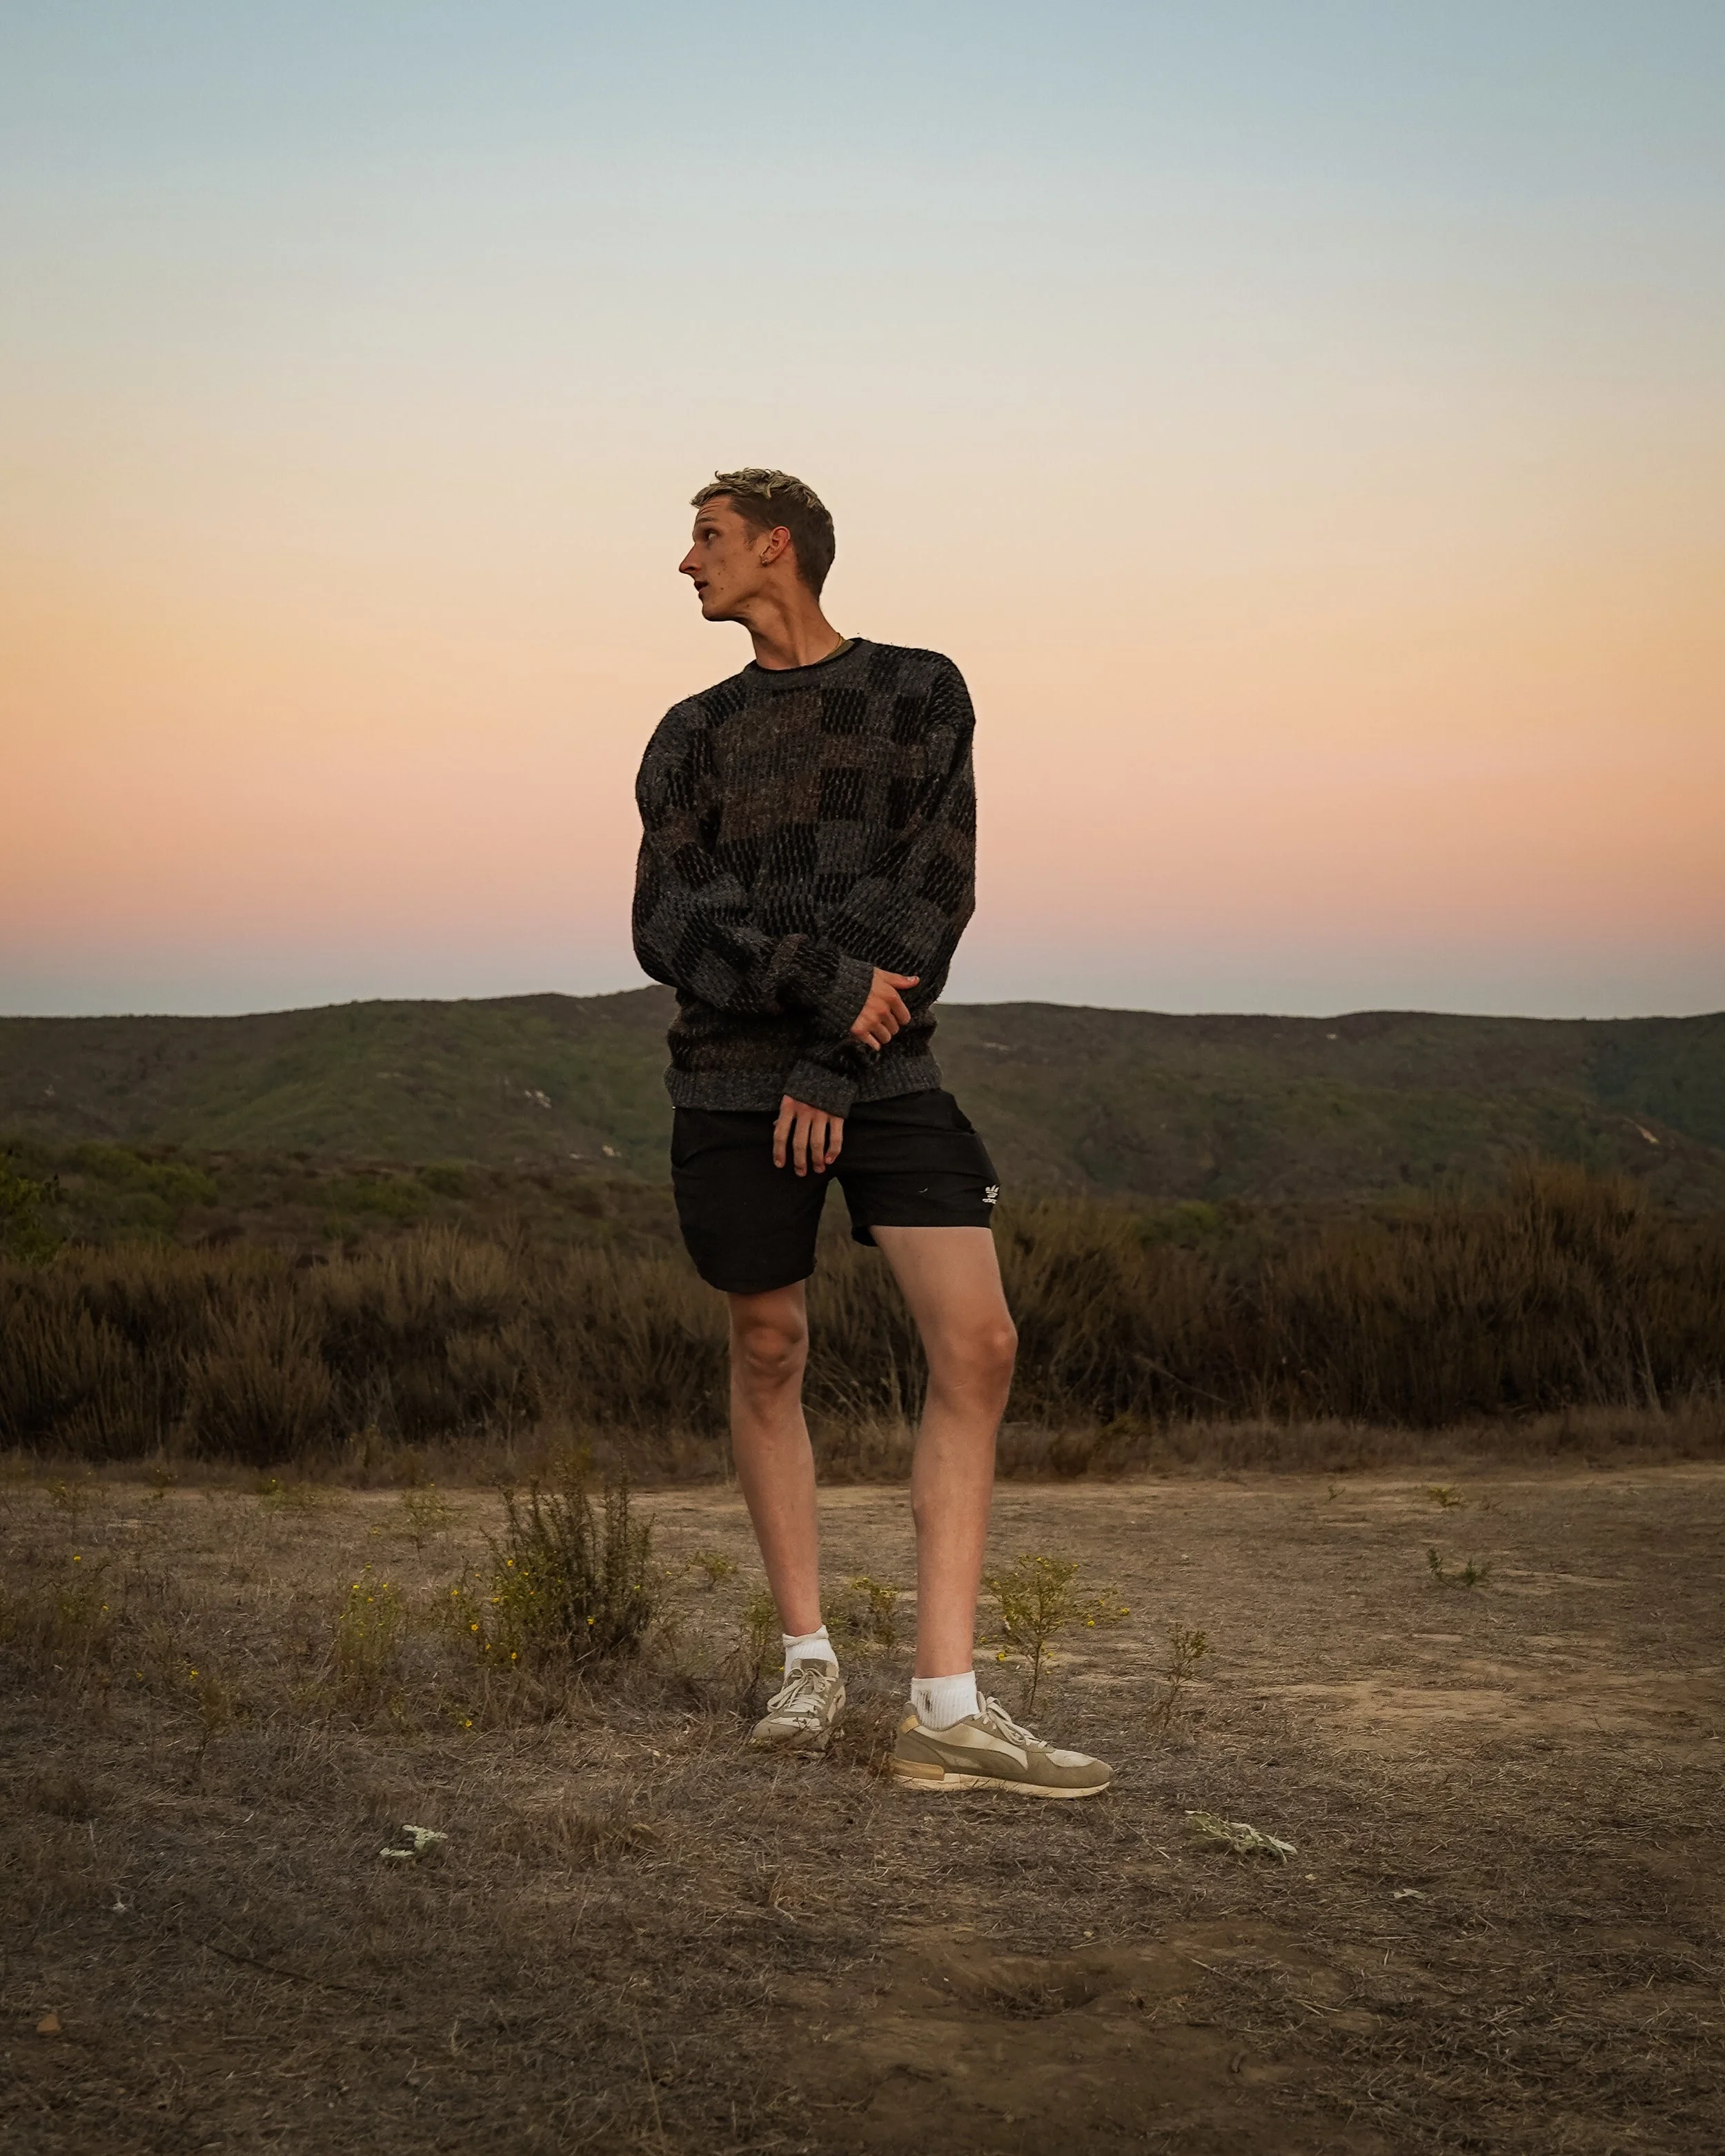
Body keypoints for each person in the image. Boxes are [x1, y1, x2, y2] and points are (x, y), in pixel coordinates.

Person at [631, 468, 1110, 1798]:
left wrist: (838, 1059)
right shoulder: (689, 734)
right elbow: (670, 924)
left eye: (708, 538)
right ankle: (808, 1662)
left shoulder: (919, 692)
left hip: (885, 1077)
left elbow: (935, 891)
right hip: (730, 1085)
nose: (688, 563)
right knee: (769, 1346)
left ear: (777, 546)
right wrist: (824, 988)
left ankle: (945, 1707)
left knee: (981, 1342)